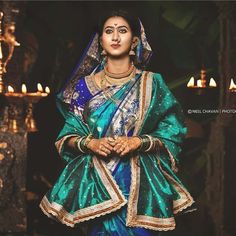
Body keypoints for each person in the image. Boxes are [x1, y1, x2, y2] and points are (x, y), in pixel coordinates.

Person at [40, 9, 195, 236]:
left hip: (140, 186)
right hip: (97, 185)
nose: (115, 37)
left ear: (134, 40)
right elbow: (68, 134)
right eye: (108, 31)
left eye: (122, 31)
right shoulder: (85, 87)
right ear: (100, 41)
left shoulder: (152, 84)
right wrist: (90, 144)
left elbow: (173, 130)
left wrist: (139, 143)